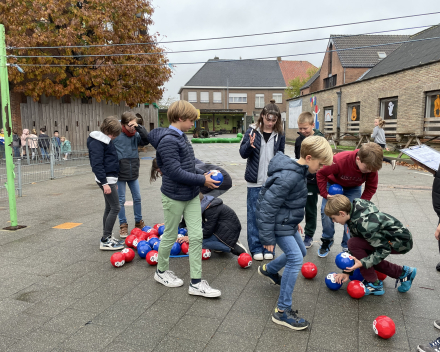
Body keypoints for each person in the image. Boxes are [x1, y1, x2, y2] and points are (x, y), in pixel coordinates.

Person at [256, 136, 333, 330]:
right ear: (309, 158)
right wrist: (267, 238)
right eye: (320, 164)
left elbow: (290, 201)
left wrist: (296, 221)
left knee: (302, 252)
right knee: (296, 259)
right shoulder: (290, 176)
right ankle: (282, 312)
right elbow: (266, 206)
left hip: (287, 223)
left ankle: (269, 270)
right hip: (278, 226)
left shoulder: (299, 172)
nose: (321, 168)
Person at [147, 100, 221, 298]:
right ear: (180, 118)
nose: (193, 124)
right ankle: (161, 272)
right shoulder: (169, 140)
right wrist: (202, 180)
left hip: (190, 195)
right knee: (170, 235)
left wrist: (205, 174)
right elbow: (175, 172)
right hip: (174, 196)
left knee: (196, 237)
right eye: (191, 120)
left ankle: (196, 282)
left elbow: (187, 166)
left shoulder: (182, 137)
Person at [328, 195, 416, 295]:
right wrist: (347, 272)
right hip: (387, 239)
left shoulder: (364, 224)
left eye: (333, 218)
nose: (333, 221)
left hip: (400, 242)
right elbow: (356, 250)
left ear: (342, 213)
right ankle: (403, 273)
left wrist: (362, 263)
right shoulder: (353, 213)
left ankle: (374, 284)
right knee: (363, 254)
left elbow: (383, 249)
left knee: (358, 249)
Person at [316, 142, 383, 257]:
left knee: (353, 215)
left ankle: (347, 245)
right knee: (326, 212)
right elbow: (321, 173)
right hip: (333, 186)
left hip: (353, 188)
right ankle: (327, 240)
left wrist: (361, 203)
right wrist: (325, 194)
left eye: (371, 170)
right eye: (366, 169)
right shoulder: (340, 160)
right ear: (358, 159)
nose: (368, 172)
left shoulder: (371, 167)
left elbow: (371, 187)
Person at [239, 99, 285, 261]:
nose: (270, 123)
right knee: (253, 215)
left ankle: (268, 247)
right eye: (268, 119)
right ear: (262, 116)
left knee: (270, 216)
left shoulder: (279, 134)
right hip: (254, 181)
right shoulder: (251, 131)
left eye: (274, 120)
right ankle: (256, 247)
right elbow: (243, 154)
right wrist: (249, 146)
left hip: (272, 183)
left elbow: (281, 156)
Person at [87, 116, 124, 251]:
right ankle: (105, 239)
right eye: (115, 134)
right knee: (116, 207)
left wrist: (112, 181)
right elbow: (97, 164)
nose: (115, 137)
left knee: (109, 207)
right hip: (105, 179)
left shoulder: (105, 141)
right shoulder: (98, 142)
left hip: (109, 179)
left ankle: (106, 236)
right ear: (110, 131)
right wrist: (105, 183)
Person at [113, 111, 149, 238]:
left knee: (137, 198)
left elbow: (146, 140)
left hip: (133, 171)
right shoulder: (117, 135)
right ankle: (123, 225)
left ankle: (139, 222)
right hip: (120, 173)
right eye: (130, 125)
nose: (132, 128)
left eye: (135, 125)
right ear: (123, 124)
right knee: (121, 200)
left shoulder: (136, 134)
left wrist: (139, 127)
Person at [178, 193, 248, 256]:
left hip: (228, 232)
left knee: (198, 243)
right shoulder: (204, 204)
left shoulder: (210, 209)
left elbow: (207, 232)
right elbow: (187, 220)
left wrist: (192, 238)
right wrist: (175, 229)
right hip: (219, 228)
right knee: (193, 237)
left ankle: (233, 247)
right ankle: (221, 243)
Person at [294, 111, 325, 249]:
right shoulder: (298, 140)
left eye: (305, 128)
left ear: (313, 125)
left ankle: (309, 235)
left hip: (314, 181)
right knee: (296, 205)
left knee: (310, 208)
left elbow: (324, 160)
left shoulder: (320, 140)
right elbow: (298, 159)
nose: (302, 131)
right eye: (300, 128)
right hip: (301, 178)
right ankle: (292, 232)